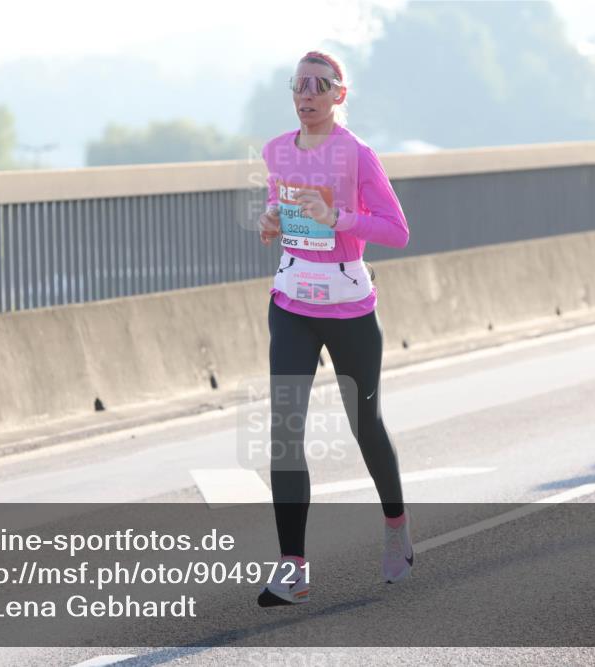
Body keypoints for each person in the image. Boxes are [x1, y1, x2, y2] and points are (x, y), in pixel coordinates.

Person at [256, 49, 413, 607]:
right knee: (284, 432)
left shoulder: (356, 154)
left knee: (364, 424)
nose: (307, 93)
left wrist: (340, 220)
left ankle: (395, 524)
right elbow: (280, 213)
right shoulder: (276, 151)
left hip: (349, 306)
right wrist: (270, 220)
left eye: (320, 85)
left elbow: (397, 231)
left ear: (339, 96)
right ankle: (293, 566)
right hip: (293, 302)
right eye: (298, 83)